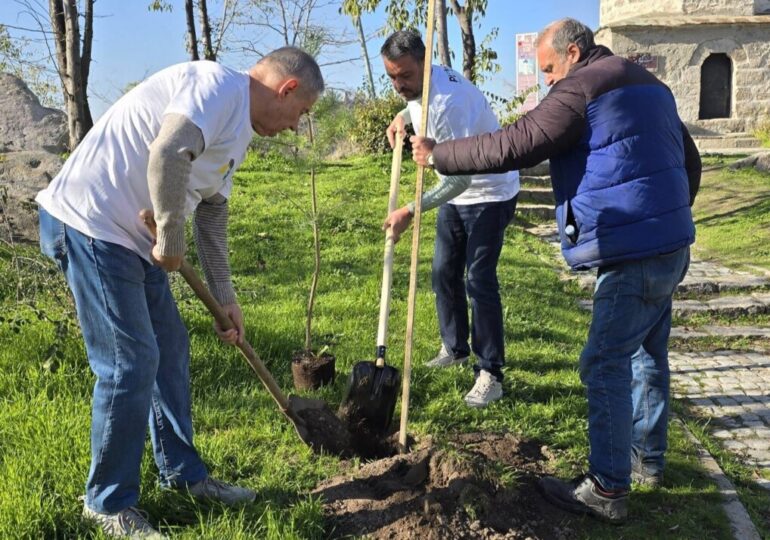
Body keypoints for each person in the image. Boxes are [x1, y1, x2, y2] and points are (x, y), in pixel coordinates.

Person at [410, 18, 701, 523]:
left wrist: (439, 154)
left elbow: (512, 145)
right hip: (672, 245)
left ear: (572, 52)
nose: (546, 79)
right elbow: (689, 161)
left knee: (604, 361)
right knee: (648, 354)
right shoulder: (648, 83)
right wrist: (671, 217)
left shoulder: (581, 88)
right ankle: (647, 460)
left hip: (632, 250)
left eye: (547, 68)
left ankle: (608, 489)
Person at [36, 47, 323, 539]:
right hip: (90, 223)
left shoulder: (238, 129)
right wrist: (170, 234)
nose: (296, 126)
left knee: (169, 350)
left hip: (132, 238)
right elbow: (169, 151)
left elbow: (212, 212)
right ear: (287, 89)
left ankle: (184, 475)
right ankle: (106, 503)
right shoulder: (215, 87)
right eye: (301, 114)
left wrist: (224, 294)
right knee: (131, 361)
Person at [380, 30, 520, 408]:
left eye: (404, 76)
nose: (398, 84)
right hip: (459, 193)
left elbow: (460, 180)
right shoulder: (422, 86)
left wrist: (410, 210)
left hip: (489, 192)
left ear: (425, 65)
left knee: (478, 280)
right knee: (443, 271)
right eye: (391, 76)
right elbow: (414, 105)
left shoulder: (448, 103)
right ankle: (455, 347)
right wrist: (401, 119)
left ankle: (490, 372)